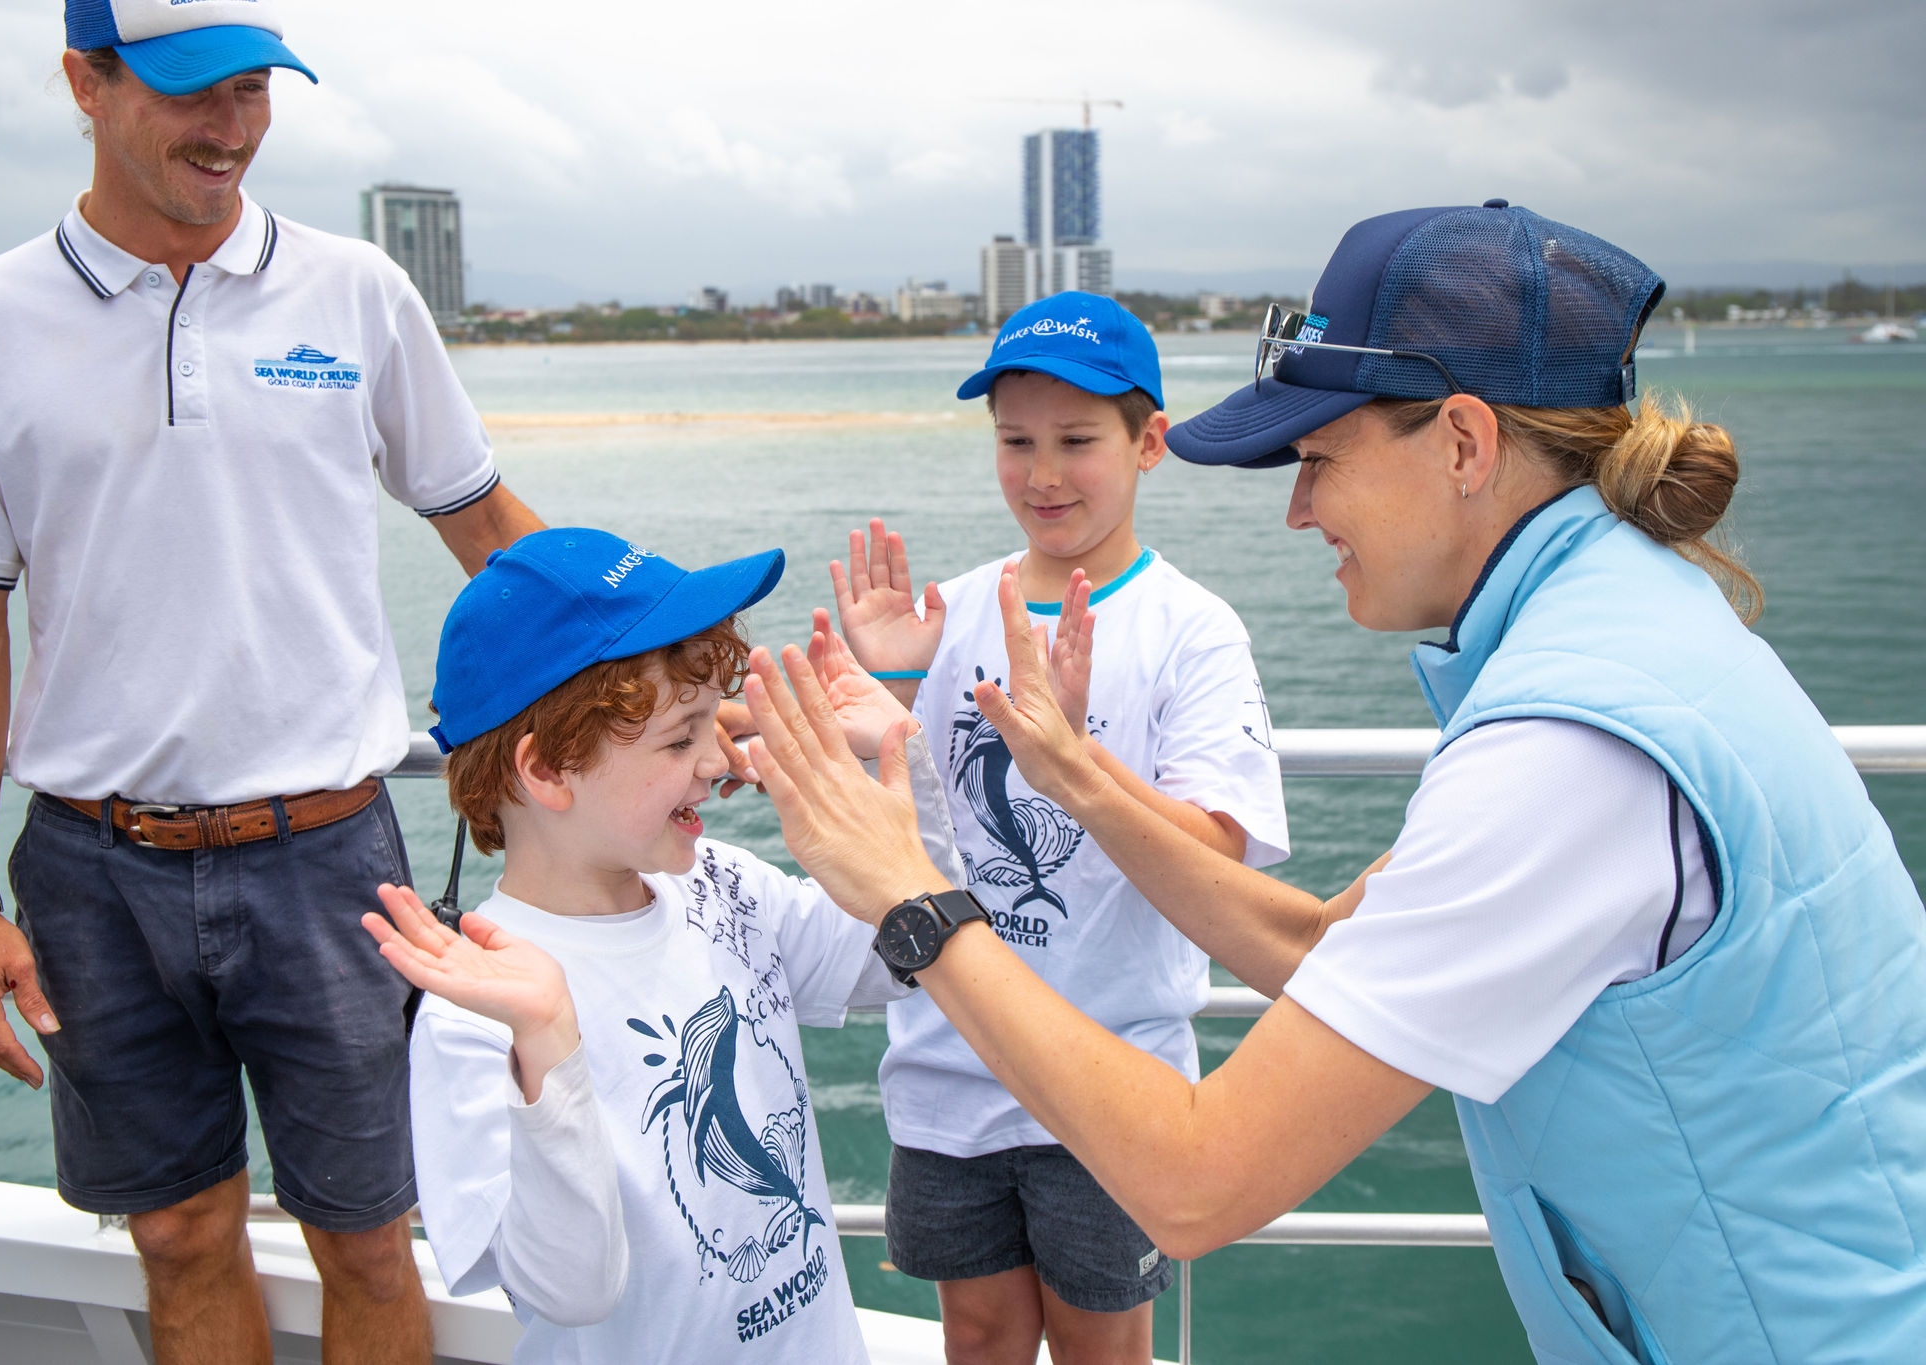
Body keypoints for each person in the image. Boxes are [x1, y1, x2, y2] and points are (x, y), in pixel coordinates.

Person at [736, 202, 1926, 1364]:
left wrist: (911, 896)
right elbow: (1316, 951)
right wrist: (1077, 775)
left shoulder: (1570, 748)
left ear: (1461, 442)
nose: (1299, 509)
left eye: (1316, 460)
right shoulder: (1627, 637)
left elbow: (1197, 1187)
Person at [0, 4, 545, 1361]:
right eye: (193, 93)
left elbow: (486, 528)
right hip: (91, 871)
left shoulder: (357, 290)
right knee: (178, 1235)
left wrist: (670, 675)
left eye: (253, 90)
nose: (232, 128)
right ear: (86, 81)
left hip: (331, 856)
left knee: (368, 1233)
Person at [365, 529, 968, 1364]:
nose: (720, 758)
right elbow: (571, 1290)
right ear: (549, 771)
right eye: (682, 737)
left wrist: (903, 758)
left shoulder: (721, 882)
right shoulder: (481, 1010)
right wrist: (549, 1044)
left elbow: (893, 958)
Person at [829, 291, 1288, 1364]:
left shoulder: (1192, 630)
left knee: (1103, 1345)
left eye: (1077, 441)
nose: (1041, 475)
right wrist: (887, 683)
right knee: (977, 1336)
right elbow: (891, 830)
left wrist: (1076, 763)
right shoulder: (939, 618)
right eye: (1015, 441)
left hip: (1114, 1081)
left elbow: (1218, 854)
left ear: (1149, 445)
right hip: (948, 1066)